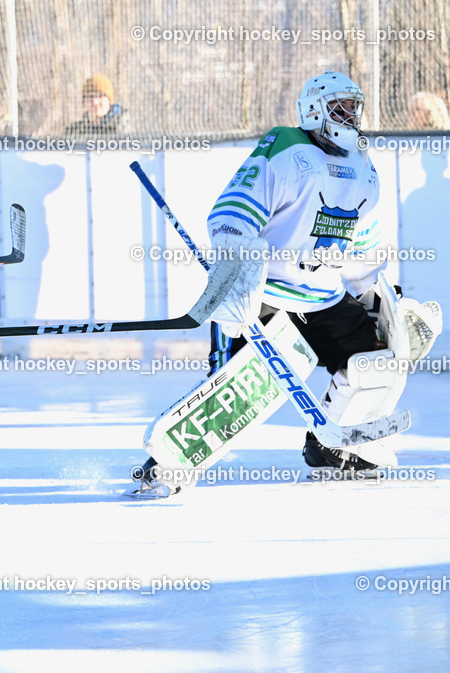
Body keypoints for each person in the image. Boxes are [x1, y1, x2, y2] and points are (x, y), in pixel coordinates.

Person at [131, 71, 441, 497]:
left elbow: (360, 245)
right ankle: (169, 462)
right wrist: (236, 273)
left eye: (353, 106)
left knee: (378, 355)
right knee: (242, 388)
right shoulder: (287, 149)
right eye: (340, 107)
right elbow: (231, 215)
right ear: (315, 110)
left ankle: (333, 448)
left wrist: (379, 293)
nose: (350, 115)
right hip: (265, 296)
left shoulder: (362, 167)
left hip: (323, 297)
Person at [64, 73, 125, 138]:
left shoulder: (123, 128)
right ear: (84, 102)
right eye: (90, 96)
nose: (95, 102)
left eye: (100, 96)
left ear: (109, 101)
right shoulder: (75, 131)